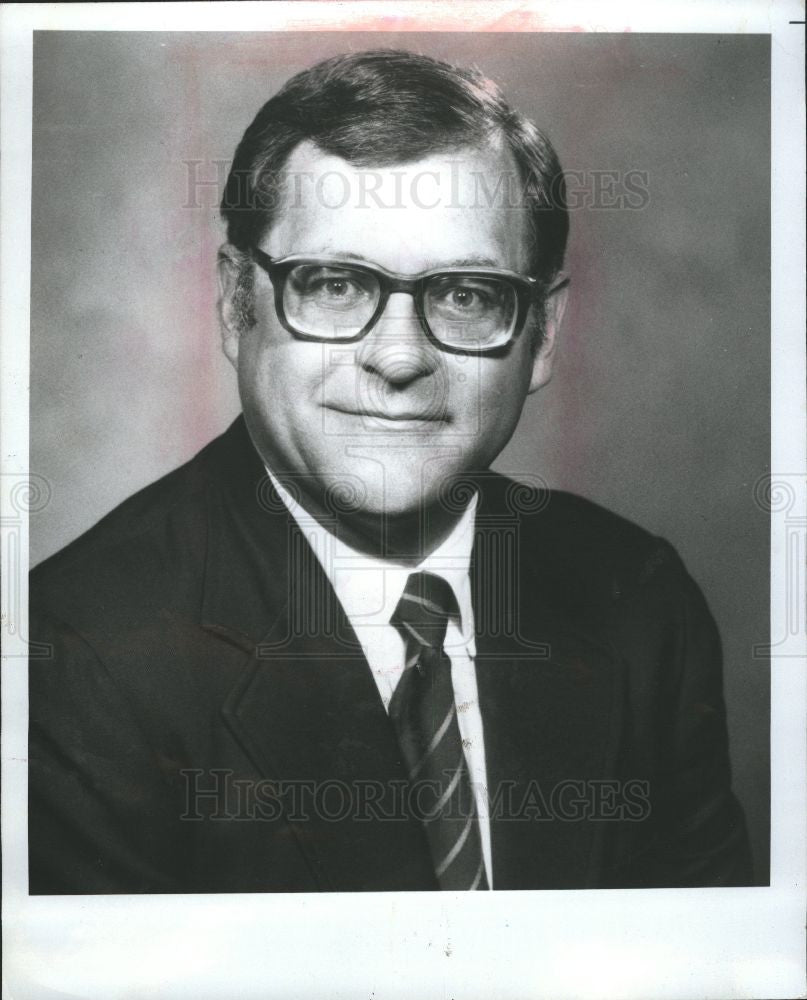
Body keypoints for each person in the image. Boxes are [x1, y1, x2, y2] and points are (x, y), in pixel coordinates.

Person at [28, 49, 752, 893]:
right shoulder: (70, 658)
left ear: (542, 335)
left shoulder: (639, 601)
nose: (399, 357)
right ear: (236, 304)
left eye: (464, 294)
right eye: (334, 284)